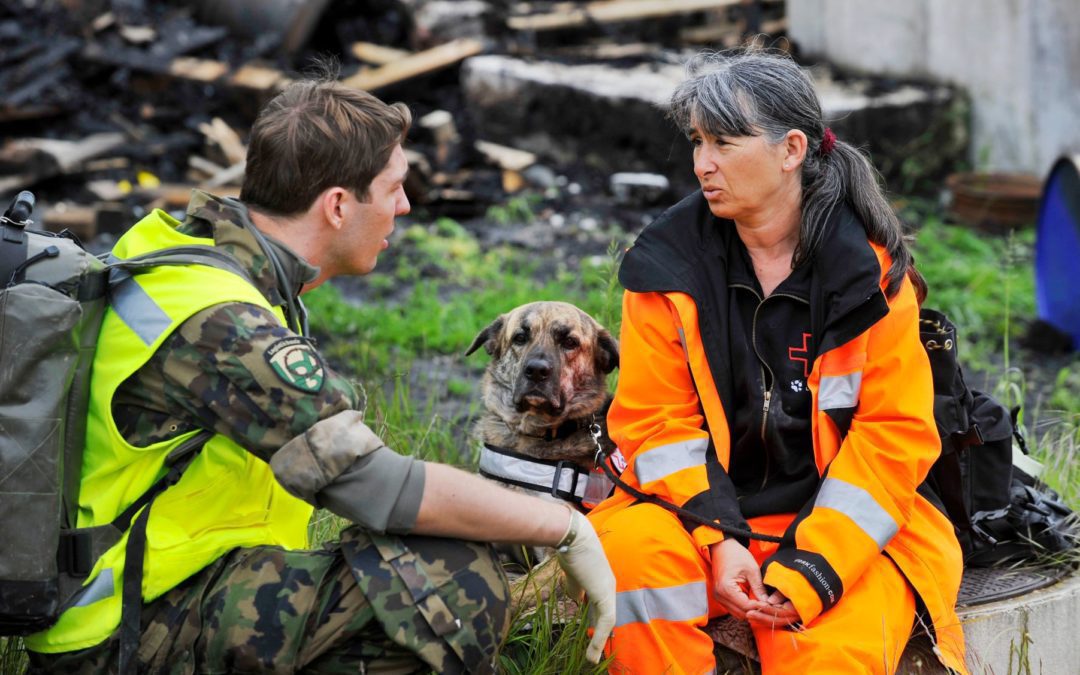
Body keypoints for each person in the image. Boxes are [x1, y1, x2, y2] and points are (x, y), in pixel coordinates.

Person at [24, 74, 615, 674]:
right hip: (123, 633)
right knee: (455, 577)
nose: (405, 207)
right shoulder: (222, 320)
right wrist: (566, 527)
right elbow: (376, 487)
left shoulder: (204, 262)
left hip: (170, 583)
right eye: (393, 189)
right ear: (337, 205)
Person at [587, 49, 967, 674]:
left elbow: (892, 439)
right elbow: (656, 426)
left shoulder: (871, 280)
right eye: (697, 142)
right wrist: (721, 538)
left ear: (792, 150)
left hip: (840, 527)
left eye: (724, 144)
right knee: (631, 561)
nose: (702, 164)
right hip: (691, 516)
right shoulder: (664, 269)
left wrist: (814, 570)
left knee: (835, 654)